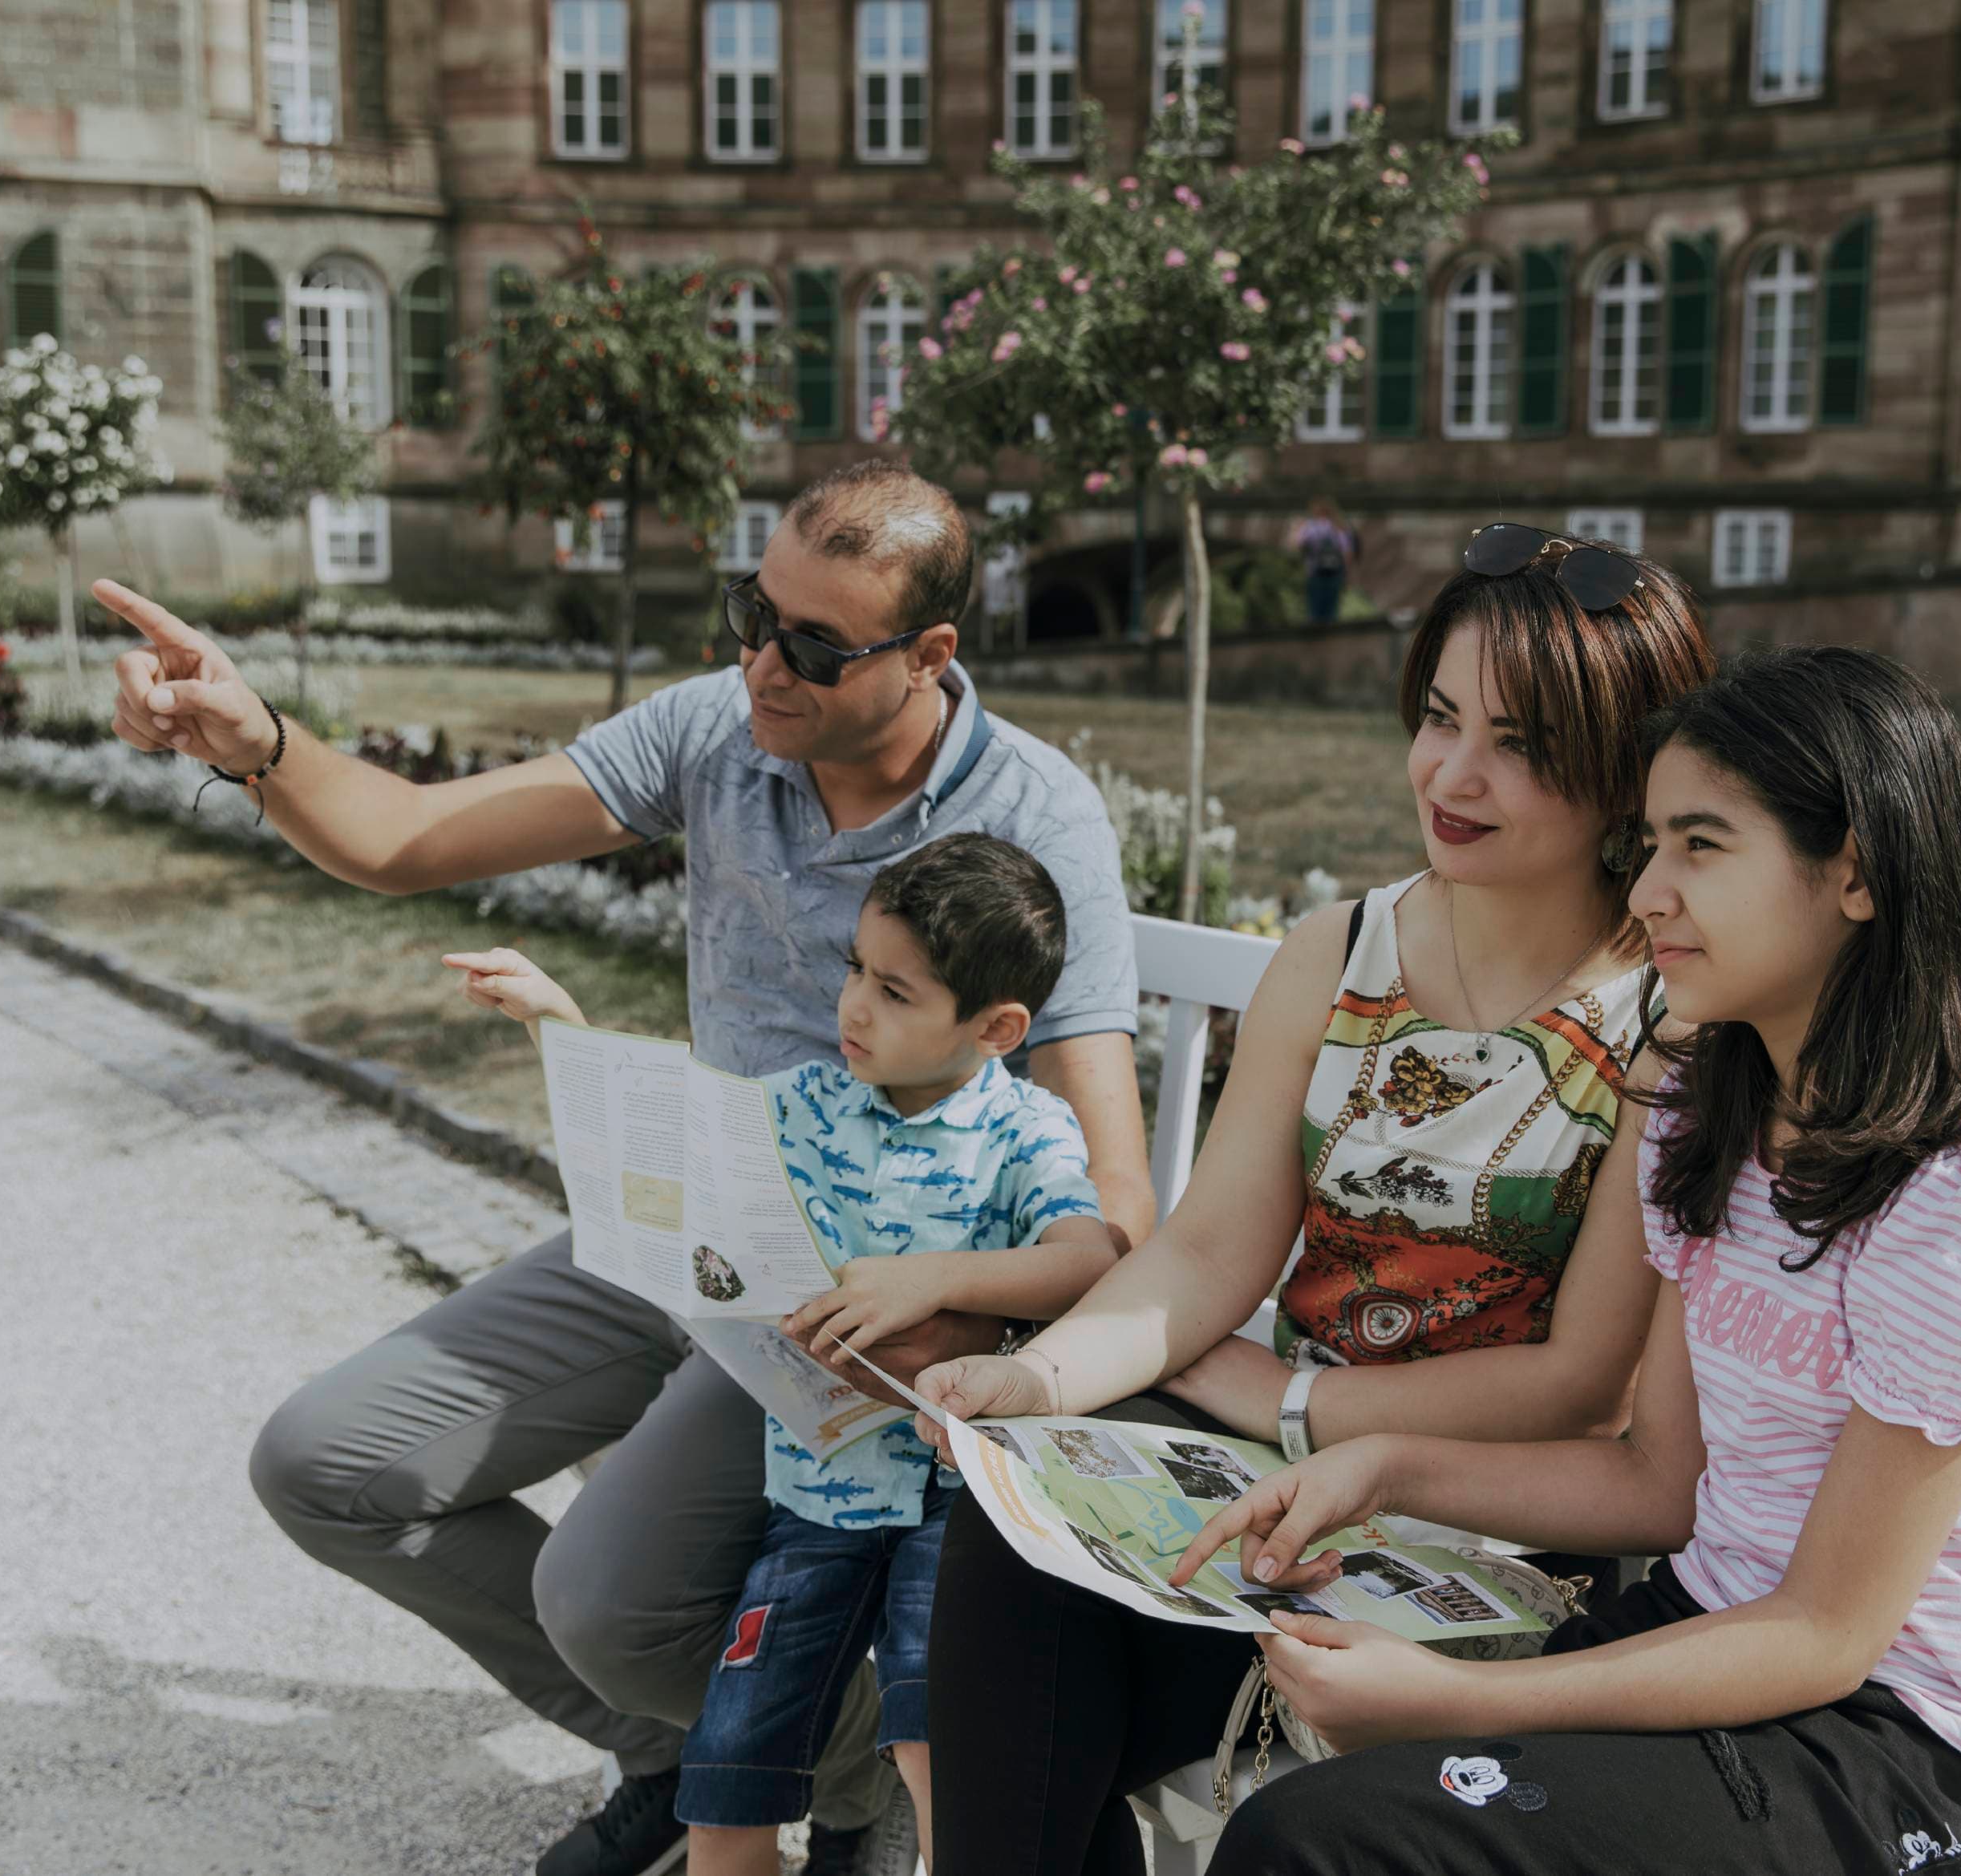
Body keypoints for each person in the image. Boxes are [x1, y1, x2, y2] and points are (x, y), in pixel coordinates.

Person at [99, 460, 1155, 1876]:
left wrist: (959, 1315)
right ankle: (711, 1756)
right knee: (327, 1462)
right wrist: (255, 741)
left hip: (845, 1310)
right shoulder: (716, 732)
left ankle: (847, 1773)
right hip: (680, 1240)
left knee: (602, 1604)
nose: (758, 663)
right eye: (749, 611)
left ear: (929, 656)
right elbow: (409, 839)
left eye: (811, 646)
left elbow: (1115, 1202)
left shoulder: (1037, 816)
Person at [1166, 646, 1961, 1876]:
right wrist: (1379, 1464)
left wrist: (1452, 1700)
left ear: (1855, 869)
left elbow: (1832, 1632)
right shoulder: (1704, 1104)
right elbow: (1656, 1480)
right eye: (1650, 846)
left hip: (1905, 1743)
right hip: (1706, 1627)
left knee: (1318, 1838)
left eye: (1701, 845)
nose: (1651, 894)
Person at [905, 525, 1716, 1873]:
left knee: (1054, 1712)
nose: (1451, 774)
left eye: (1516, 745)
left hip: (1494, 1537)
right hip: (1278, 1499)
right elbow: (1212, 1245)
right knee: (1014, 1549)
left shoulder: (1663, 1021)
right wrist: (1038, 1380)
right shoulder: (1337, 953)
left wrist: (1282, 1400)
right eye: (1439, 716)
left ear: (1623, 775)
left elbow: (1581, 1382)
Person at [448, 832, 1120, 1876]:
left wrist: (938, 1276)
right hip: (816, 1489)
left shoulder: (1026, 1129)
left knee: (937, 1747)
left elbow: (1089, 1257)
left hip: (960, 1499)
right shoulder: (808, 1104)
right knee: (727, 1781)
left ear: (995, 1027)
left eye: (896, 991)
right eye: (856, 968)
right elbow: (676, 1151)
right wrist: (561, 1023)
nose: (855, 1005)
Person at [1291, 497, 1358, 626]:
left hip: (1315, 572)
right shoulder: (1339, 528)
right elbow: (1347, 553)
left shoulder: (1311, 527)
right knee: (1331, 610)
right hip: (1334, 573)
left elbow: (1298, 544)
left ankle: (1316, 640)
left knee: (1315, 610)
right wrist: (1346, 573)